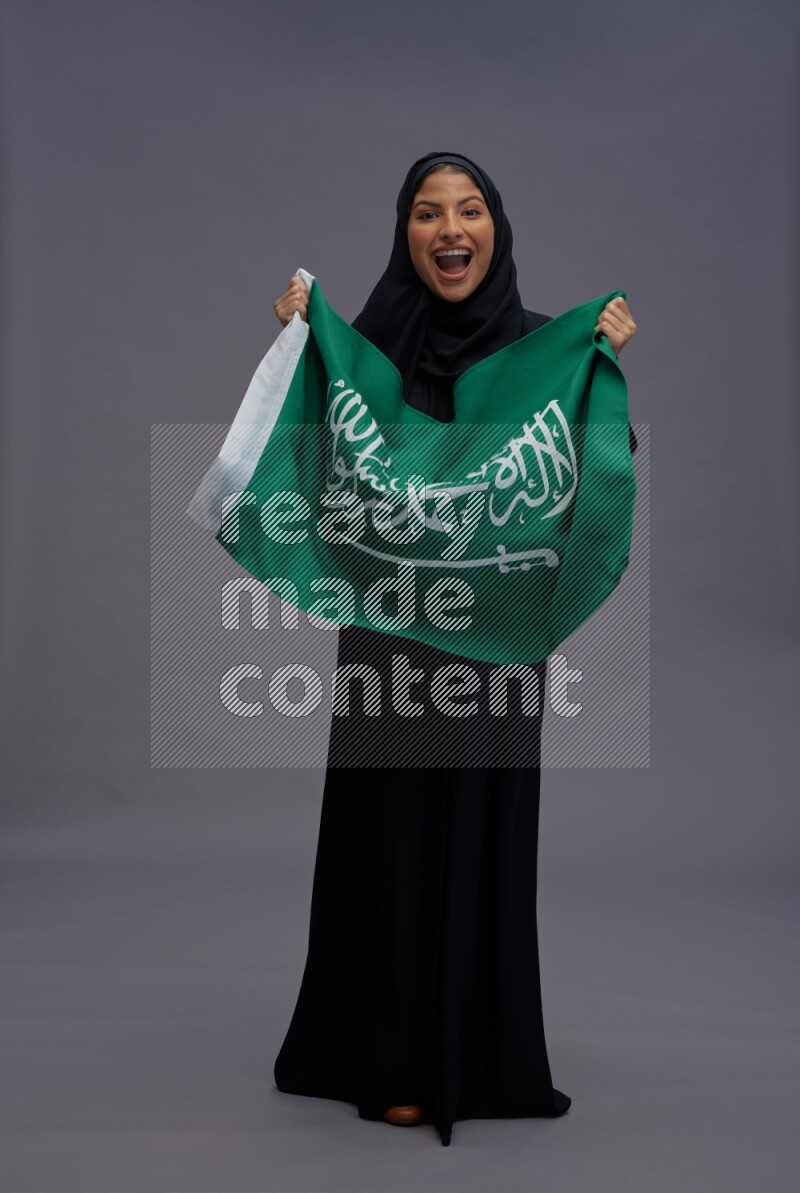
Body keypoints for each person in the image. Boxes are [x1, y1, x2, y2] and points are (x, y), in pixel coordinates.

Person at [269, 152, 638, 1147]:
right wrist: (302, 346)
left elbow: (586, 478)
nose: (448, 227)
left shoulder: (541, 350)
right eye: (426, 212)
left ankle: (479, 1050)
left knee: (480, 830)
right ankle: (383, 1053)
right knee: (383, 836)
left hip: (491, 649)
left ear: (493, 227)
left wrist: (604, 368)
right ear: (405, 233)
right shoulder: (370, 347)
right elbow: (311, 467)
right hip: (389, 631)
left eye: (467, 208)